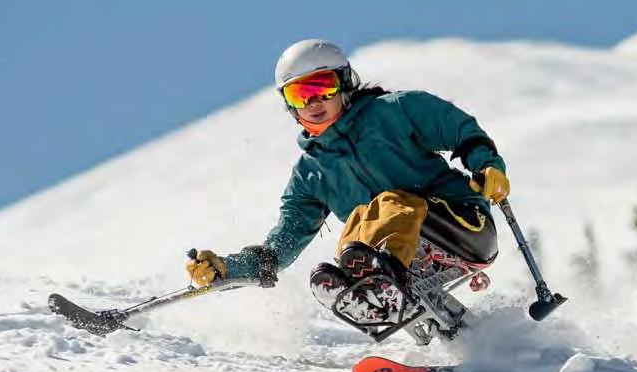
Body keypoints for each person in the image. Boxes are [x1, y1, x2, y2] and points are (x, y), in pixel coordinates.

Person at [186, 39, 509, 326]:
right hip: (410, 261)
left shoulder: (395, 111)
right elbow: (280, 246)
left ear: (343, 83)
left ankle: (377, 283)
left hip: (464, 227)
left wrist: (488, 166)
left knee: (389, 204)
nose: (313, 102)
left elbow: (461, 130)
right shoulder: (310, 174)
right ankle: (365, 292)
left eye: (322, 87)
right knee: (359, 220)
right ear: (289, 104)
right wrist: (228, 269)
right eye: (300, 94)